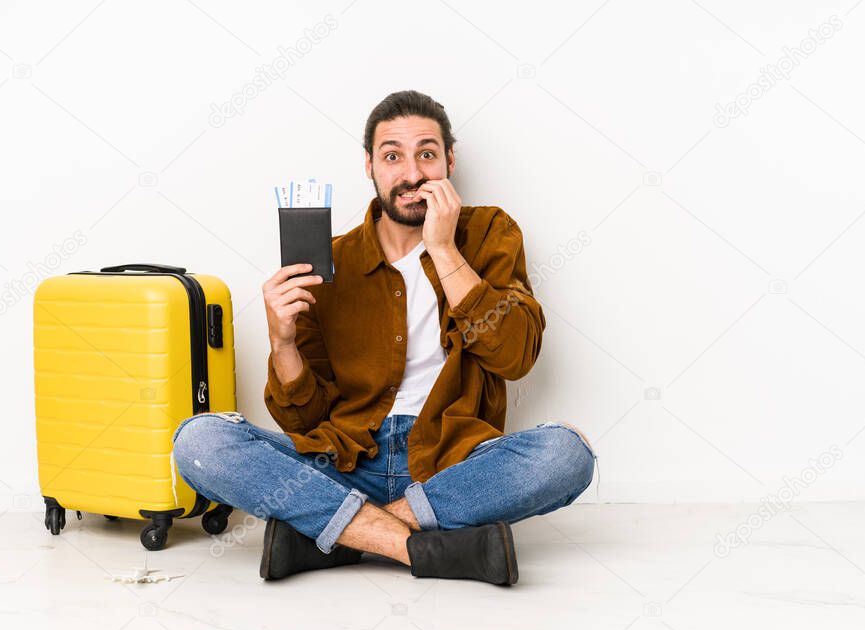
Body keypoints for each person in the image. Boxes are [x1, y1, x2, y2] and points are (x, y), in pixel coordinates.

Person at [172, 90, 595, 586]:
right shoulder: (331, 259)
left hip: (451, 464)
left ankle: (333, 535)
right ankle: (416, 546)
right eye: (393, 155)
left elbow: (515, 356)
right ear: (370, 165)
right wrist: (282, 342)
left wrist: (442, 249)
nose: (411, 173)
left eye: (427, 154)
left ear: (449, 161)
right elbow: (304, 419)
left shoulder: (489, 233)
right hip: (344, 461)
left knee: (568, 454)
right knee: (199, 441)